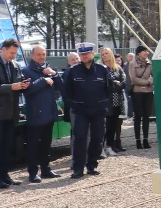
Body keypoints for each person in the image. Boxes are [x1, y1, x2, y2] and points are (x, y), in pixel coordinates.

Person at [0, 38, 29, 189]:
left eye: (15, 53)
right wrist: (11, 87)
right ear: (3, 49)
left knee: (7, 146)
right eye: (11, 53)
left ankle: (5, 175)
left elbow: (18, 82)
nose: (13, 56)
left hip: (11, 112)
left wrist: (24, 85)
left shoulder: (15, 65)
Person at [62, 43, 114, 178]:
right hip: (81, 111)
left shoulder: (102, 70)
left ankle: (92, 165)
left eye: (86, 54)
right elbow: (66, 92)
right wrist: (74, 105)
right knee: (80, 140)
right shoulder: (73, 71)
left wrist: (103, 103)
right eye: (82, 54)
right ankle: (78, 169)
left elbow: (109, 89)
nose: (84, 56)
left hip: (98, 110)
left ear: (92, 54)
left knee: (97, 139)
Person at [21, 45, 62, 182]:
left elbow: (61, 86)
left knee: (46, 144)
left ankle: (46, 170)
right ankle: (33, 173)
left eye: (43, 54)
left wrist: (54, 74)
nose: (41, 57)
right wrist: (43, 80)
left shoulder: (48, 69)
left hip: (49, 113)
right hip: (35, 115)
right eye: (38, 54)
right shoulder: (26, 71)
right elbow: (28, 90)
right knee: (33, 145)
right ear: (32, 55)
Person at [99, 46, 127, 155]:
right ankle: (100, 148)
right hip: (105, 100)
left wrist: (116, 85)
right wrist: (115, 85)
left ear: (110, 54)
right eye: (102, 54)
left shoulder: (117, 68)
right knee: (103, 126)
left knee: (113, 125)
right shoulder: (100, 68)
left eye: (106, 53)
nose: (104, 56)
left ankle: (110, 146)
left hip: (117, 100)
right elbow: (104, 85)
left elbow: (124, 81)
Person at [127, 45, 154, 150]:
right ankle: (138, 140)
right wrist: (147, 82)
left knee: (147, 117)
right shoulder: (132, 63)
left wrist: (150, 82)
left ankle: (146, 139)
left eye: (147, 51)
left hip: (148, 92)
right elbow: (134, 79)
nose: (147, 53)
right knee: (138, 117)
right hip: (137, 92)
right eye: (144, 51)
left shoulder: (149, 63)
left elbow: (153, 75)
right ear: (139, 53)